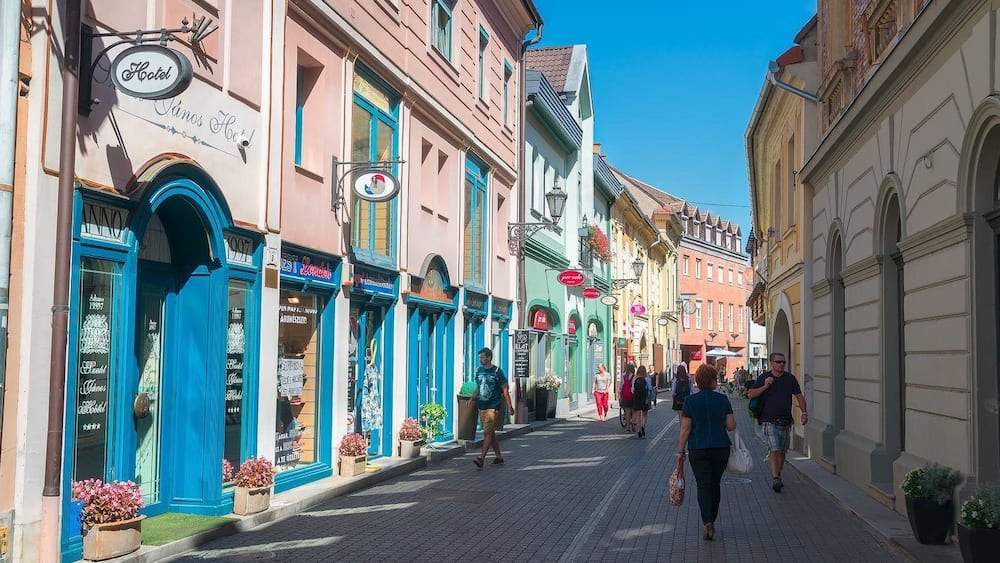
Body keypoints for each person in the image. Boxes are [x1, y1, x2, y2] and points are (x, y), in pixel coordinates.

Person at [677, 364, 737, 541]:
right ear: (713, 381)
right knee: (715, 484)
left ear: (697, 382)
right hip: (720, 447)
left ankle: (707, 521)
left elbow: (685, 429)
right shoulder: (722, 399)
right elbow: (731, 425)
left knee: (703, 484)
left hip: (697, 447)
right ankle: (713, 518)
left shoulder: (690, 401)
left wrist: (680, 451)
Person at [747, 352, 808, 492]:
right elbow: (750, 394)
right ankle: (775, 478)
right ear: (772, 363)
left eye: (783, 362)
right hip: (769, 420)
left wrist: (804, 413)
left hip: (785, 420)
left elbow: (799, 396)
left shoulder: (790, 379)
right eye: (778, 362)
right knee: (774, 449)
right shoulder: (764, 377)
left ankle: (778, 474)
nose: (781, 364)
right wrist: (765, 387)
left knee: (782, 451)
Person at [465, 347, 514, 468]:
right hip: (481, 405)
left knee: (486, 433)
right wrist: (471, 399)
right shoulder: (478, 371)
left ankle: (481, 458)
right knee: (490, 433)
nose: (480, 360)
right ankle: (498, 456)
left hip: (493, 406)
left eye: (482, 357)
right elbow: (478, 388)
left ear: (489, 357)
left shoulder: (497, 371)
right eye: (480, 357)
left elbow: (505, 390)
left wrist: (509, 406)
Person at [632, 366, 652, 438]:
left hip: (637, 397)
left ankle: (639, 430)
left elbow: (632, 390)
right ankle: (643, 426)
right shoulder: (647, 378)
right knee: (645, 413)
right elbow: (649, 388)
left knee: (638, 414)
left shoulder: (635, 378)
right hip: (645, 397)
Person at [620, 364, 637, 432]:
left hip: (624, 396)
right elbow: (633, 387)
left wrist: (620, 393)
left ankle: (627, 426)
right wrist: (634, 393)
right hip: (631, 396)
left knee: (627, 411)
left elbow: (621, 385)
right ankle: (633, 423)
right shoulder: (633, 376)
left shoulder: (623, 375)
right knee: (634, 411)